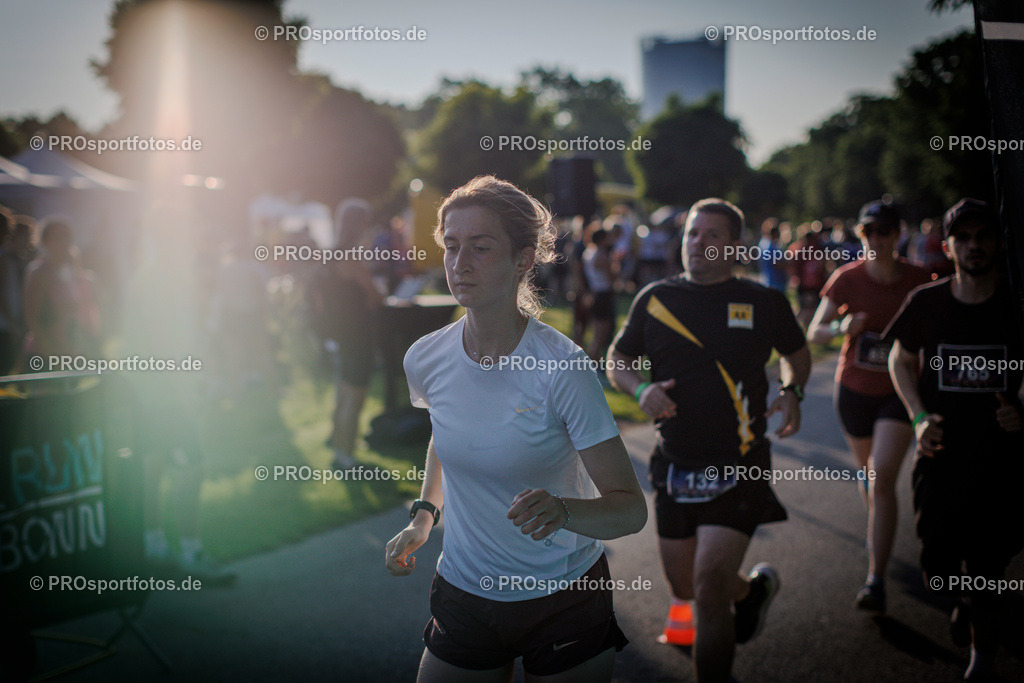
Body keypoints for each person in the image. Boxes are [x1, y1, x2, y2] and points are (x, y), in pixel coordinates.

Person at [385, 176, 647, 683]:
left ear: (524, 259)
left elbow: (630, 510)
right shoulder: (425, 357)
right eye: (452, 246)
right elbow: (448, 434)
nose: (460, 263)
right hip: (464, 592)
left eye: (481, 248)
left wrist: (563, 510)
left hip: (565, 597)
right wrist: (424, 516)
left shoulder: (563, 369)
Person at [608, 198, 811, 683]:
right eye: (692, 234)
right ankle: (751, 592)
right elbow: (618, 358)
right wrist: (640, 389)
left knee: (708, 586)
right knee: (685, 584)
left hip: (741, 461)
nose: (698, 243)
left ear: (734, 246)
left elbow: (797, 353)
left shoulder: (763, 302)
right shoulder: (655, 298)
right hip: (674, 462)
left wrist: (792, 392)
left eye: (712, 235)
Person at [886, 198, 1024, 682]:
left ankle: (981, 662)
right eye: (962, 238)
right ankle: (962, 599)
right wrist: (918, 416)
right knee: (938, 568)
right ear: (946, 247)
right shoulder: (927, 302)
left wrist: (1021, 408)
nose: (973, 245)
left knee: (989, 564)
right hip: (939, 456)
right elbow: (900, 360)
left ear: (998, 243)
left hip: (1000, 461)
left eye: (982, 236)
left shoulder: (1015, 303)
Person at [807, 200, 933, 613]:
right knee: (869, 478)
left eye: (883, 231)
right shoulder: (847, 278)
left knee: (880, 481)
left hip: (900, 392)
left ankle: (875, 580)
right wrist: (841, 326)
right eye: (867, 232)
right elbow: (814, 332)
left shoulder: (919, 279)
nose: (874, 239)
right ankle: (880, 528)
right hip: (854, 391)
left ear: (898, 234)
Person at [307, 198, 382, 470]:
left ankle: (338, 442)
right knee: (355, 394)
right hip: (357, 334)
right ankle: (345, 457)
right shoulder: (351, 257)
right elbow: (375, 294)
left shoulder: (330, 255)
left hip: (338, 333)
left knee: (344, 390)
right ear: (360, 224)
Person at [583, 227, 617, 362]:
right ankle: (593, 360)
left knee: (597, 330)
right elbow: (612, 276)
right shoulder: (601, 255)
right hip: (603, 293)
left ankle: (594, 358)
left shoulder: (588, 252)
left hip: (594, 291)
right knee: (602, 332)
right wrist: (616, 263)